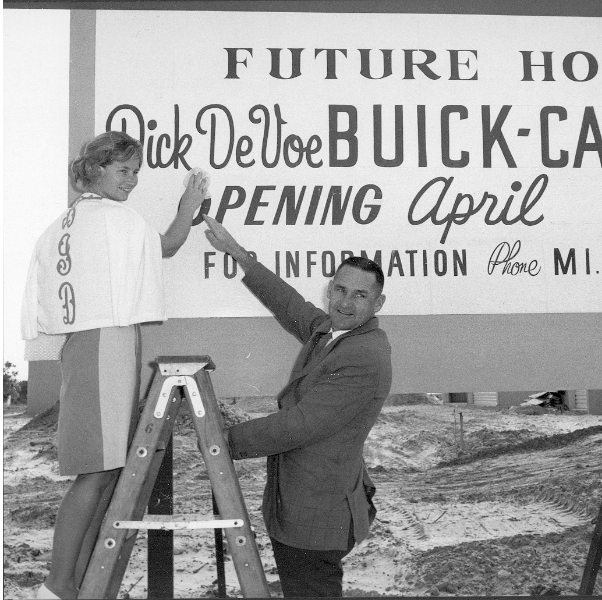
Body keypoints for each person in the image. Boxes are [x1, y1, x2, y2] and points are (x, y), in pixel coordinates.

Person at [21, 131, 208, 599]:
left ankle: (79, 581)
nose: (133, 180)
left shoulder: (66, 223)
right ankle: (57, 585)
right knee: (98, 471)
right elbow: (165, 246)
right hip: (107, 343)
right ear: (97, 169)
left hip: (88, 343)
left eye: (137, 172)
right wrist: (188, 206)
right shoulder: (111, 218)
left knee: (103, 469)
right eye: (124, 170)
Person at [203, 215, 392, 597]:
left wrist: (223, 441)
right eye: (340, 290)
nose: (346, 301)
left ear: (378, 302)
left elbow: (300, 424)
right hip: (302, 505)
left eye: (360, 295)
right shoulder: (330, 331)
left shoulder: (364, 355)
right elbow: (289, 304)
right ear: (330, 291)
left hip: (318, 515)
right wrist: (237, 252)